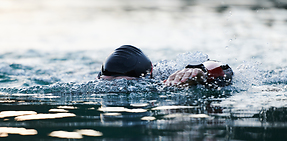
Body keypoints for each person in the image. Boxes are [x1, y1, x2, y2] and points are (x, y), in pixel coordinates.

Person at [97, 45, 233, 88]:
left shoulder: (168, 75)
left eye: (125, 82)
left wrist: (200, 71)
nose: (117, 86)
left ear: (148, 76)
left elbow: (225, 69)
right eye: (109, 81)